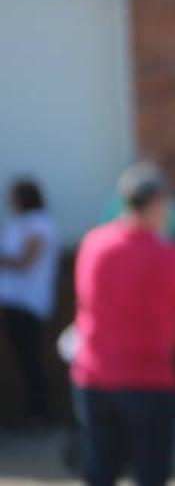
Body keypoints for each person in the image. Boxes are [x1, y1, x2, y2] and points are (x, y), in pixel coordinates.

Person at [71, 161, 175, 486]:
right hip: (150, 380)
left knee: (100, 473)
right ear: (157, 202)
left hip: (94, 377)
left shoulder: (93, 244)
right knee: (151, 475)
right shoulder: (171, 255)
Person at [0, 177, 60, 426]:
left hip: (27, 303)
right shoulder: (22, 223)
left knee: (30, 359)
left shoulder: (38, 224)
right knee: (23, 359)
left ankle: (40, 413)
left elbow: (25, 261)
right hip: (14, 302)